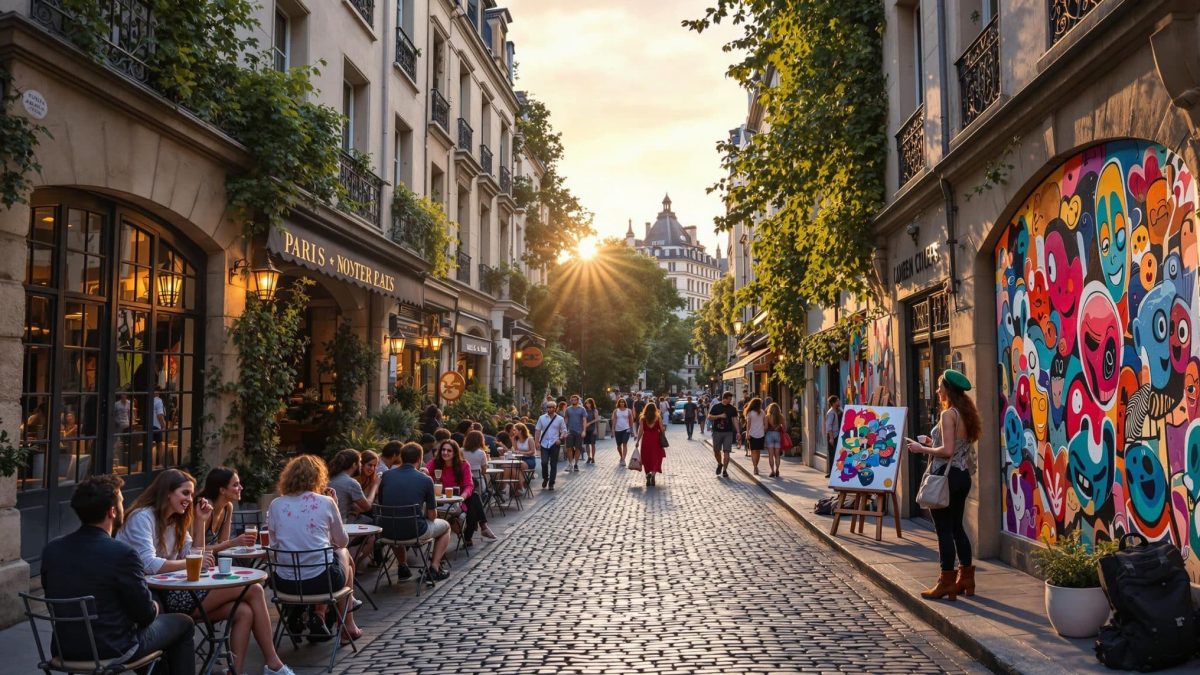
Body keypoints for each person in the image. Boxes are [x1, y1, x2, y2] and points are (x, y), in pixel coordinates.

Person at [117, 469, 295, 675]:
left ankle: (234, 672)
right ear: (167, 492)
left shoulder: (177, 519)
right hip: (156, 597)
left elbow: (193, 553)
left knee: (243, 612)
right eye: (185, 493)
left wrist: (200, 522)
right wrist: (190, 563)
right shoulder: (143, 517)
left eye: (191, 494)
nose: (189, 499)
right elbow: (149, 564)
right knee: (253, 589)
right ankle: (273, 663)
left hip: (178, 589)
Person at [42, 474, 196, 675]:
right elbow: (145, 615)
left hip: (64, 648)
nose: (125, 506)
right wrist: (156, 606)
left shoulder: (52, 549)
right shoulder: (123, 553)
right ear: (112, 511)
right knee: (183, 623)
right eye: (122, 501)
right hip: (112, 648)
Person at [268, 455, 363, 644]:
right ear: (318, 477)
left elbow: (273, 545)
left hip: (284, 584)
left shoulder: (276, 504)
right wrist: (334, 505)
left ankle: (322, 615)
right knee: (344, 557)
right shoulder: (325, 502)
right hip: (320, 583)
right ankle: (346, 625)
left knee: (326, 560)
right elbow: (343, 541)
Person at [905, 370, 980, 601]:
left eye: (939, 387)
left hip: (945, 478)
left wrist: (922, 449)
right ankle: (966, 578)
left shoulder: (948, 415)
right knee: (957, 528)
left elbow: (947, 451)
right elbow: (955, 445)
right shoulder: (966, 413)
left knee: (944, 531)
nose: (937, 391)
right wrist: (932, 441)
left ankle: (946, 582)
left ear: (948, 389)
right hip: (961, 477)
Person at [377, 442, 451, 582]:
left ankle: (403, 566)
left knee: (395, 519)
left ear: (401, 458)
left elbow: (383, 504)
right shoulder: (425, 479)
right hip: (415, 531)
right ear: (419, 459)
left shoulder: (386, 476)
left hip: (387, 531)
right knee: (446, 526)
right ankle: (434, 568)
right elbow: (432, 515)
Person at [427, 439, 486, 547]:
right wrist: (423, 471)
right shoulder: (435, 463)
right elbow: (425, 472)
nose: (445, 452)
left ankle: (470, 533)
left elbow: (469, 485)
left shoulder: (463, 465)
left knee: (473, 498)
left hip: (457, 498)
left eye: (449, 451)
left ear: (455, 453)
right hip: (438, 500)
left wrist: (462, 497)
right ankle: (479, 528)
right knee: (475, 498)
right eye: (443, 450)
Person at [198, 467, 258, 552]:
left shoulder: (228, 507)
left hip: (212, 560)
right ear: (222, 490)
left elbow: (223, 543)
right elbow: (195, 549)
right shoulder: (206, 507)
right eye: (235, 485)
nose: (241, 488)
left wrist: (230, 543)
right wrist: (233, 542)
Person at [460, 431, 498, 541]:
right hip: (477, 483)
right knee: (487, 492)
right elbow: (484, 471)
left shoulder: (461, 451)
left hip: (467, 484)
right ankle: (483, 526)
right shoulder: (481, 453)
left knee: (475, 497)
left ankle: (479, 528)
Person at [327, 449, 377, 525]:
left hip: (327, 521)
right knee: (372, 521)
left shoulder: (329, 478)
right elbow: (367, 507)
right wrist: (375, 486)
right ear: (354, 465)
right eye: (360, 462)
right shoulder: (351, 482)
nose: (361, 464)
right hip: (342, 522)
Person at [634, 399, 666, 487]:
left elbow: (640, 431)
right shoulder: (657, 418)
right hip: (656, 439)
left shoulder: (643, 418)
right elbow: (662, 429)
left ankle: (647, 474)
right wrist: (663, 430)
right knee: (656, 457)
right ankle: (653, 475)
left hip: (646, 439)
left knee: (646, 457)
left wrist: (637, 441)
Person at [534, 403, 566, 490]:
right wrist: (536, 442)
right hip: (544, 443)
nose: (550, 409)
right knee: (544, 462)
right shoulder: (542, 418)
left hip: (554, 443)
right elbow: (538, 430)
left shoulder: (560, 419)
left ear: (555, 408)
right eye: (548, 407)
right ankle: (545, 478)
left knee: (553, 464)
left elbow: (564, 430)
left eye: (552, 407)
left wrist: (560, 438)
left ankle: (551, 483)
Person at [708, 392, 740, 478]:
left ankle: (725, 470)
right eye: (729, 399)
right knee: (716, 451)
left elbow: (735, 420)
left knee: (726, 452)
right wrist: (720, 416)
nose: (731, 400)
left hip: (728, 432)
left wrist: (738, 432)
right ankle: (719, 464)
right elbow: (709, 417)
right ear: (724, 398)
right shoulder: (716, 407)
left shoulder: (732, 409)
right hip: (717, 432)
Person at [564, 395, 587, 472]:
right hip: (570, 431)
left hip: (579, 432)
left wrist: (584, 431)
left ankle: (576, 464)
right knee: (569, 448)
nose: (573, 401)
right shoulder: (568, 409)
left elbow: (584, 420)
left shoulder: (582, 409)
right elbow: (566, 420)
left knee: (578, 448)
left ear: (577, 401)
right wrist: (564, 431)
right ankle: (570, 464)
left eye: (575, 400)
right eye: (572, 400)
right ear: (570, 401)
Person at [744, 397, 766, 475]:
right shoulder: (762, 412)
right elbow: (765, 424)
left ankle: (755, 467)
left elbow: (748, 424)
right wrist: (764, 430)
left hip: (752, 434)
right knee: (758, 451)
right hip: (761, 434)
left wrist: (747, 433)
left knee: (753, 451)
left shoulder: (750, 413)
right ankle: (756, 466)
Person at [764, 403, 786, 478]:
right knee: (777, 455)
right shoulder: (781, 417)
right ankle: (777, 470)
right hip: (778, 435)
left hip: (769, 435)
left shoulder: (767, 417)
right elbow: (784, 428)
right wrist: (778, 427)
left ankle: (772, 471)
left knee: (770, 455)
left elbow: (766, 428)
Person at [611, 398, 634, 467]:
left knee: (624, 443)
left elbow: (631, 421)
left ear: (625, 403)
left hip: (626, 429)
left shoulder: (628, 411)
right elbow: (614, 421)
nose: (622, 403)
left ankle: (623, 459)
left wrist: (632, 430)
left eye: (623, 402)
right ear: (618, 403)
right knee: (618, 446)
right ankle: (621, 456)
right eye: (620, 402)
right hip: (618, 430)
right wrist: (613, 430)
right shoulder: (616, 411)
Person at [824, 395, 843, 478]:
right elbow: (829, 426)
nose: (839, 402)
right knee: (832, 454)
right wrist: (831, 438)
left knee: (837, 454)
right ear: (834, 403)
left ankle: (834, 471)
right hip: (833, 436)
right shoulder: (831, 413)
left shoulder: (838, 410)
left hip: (837, 435)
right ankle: (831, 473)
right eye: (838, 401)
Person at [583, 397, 599, 464]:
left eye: (589, 403)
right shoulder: (584, 410)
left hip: (592, 429)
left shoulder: (594, 410)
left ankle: (593, 457)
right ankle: (589, 457)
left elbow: (597, 419)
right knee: (587, 444)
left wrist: (590, 423)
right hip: (586, 429)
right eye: (586, 403)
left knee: (593, 444)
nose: (587, 404)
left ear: (591, 404)